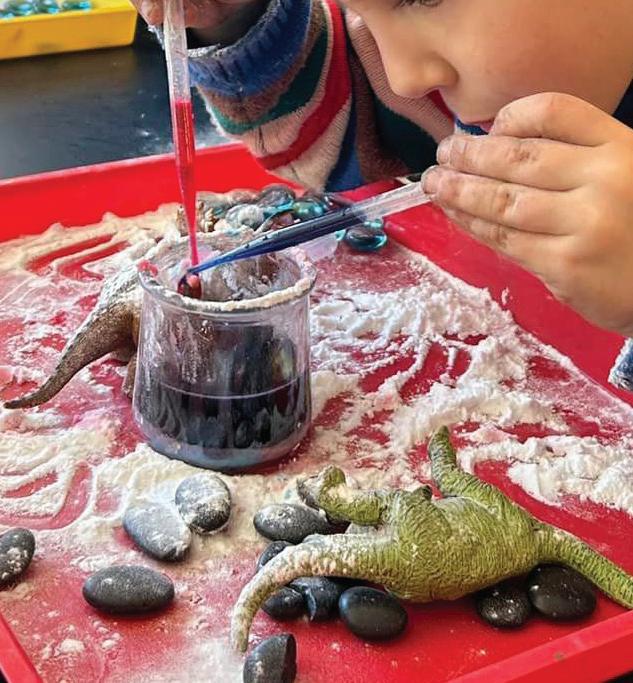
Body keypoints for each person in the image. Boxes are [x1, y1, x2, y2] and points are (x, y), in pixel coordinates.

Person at [134, 0, 633, 387]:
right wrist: (233, 21)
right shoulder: (468, 87)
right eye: (363, 14)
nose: (404, 79)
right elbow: (344, 112)